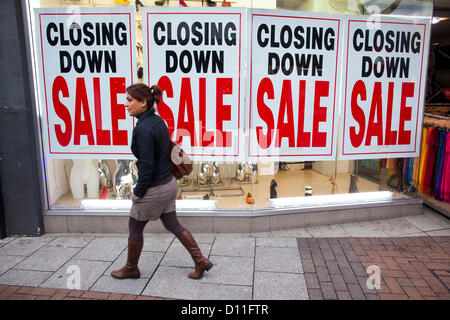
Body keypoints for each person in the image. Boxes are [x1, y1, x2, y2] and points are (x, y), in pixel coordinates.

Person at [111, 83, 213, 280]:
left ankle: (131, 268)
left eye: (130, 100)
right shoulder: (158, 121)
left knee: (135, 226)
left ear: (143, 102)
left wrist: (138, 192)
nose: (126, 104)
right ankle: (200, 260)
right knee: (173, 224)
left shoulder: (143, 128)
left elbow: (147, 166)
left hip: (154, 188)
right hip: (169, 184)